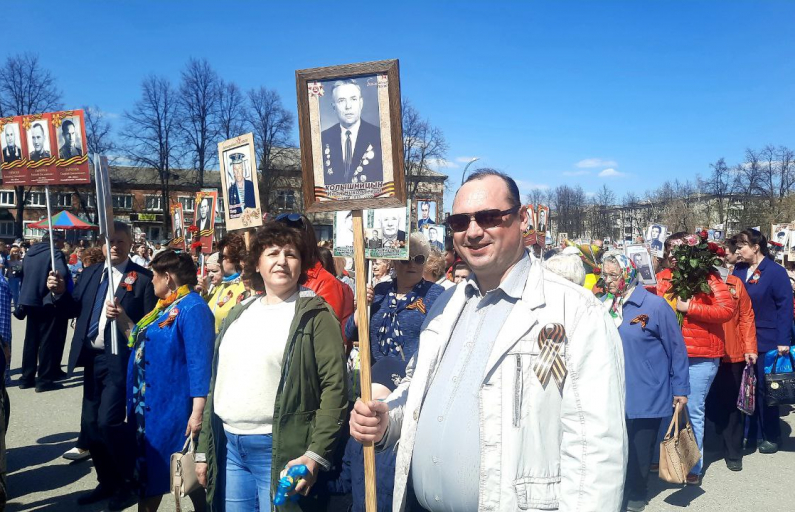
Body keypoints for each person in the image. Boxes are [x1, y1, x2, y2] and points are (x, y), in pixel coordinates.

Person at [349, 170, 627, 511]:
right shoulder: (445, 304)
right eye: (460, 221)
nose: (474, 231)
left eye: (489, 217)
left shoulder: (575, 313)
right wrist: (386, 420)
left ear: (522, 219)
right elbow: (416, 387)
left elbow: (595, 448)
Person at [195, 221, 349, 511]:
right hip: (230, 447)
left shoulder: (315, 316)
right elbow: (217, 383)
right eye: (273, 253)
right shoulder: (240, 312)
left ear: (301, 263)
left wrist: (316, 454)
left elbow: (335, 388)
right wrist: (205, 448)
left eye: (291, 254)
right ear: (258, 262)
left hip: (281, 451)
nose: (282, 260)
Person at [49, 222, 156, 509]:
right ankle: (106, 481)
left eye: (121, 241)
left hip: (119, 361)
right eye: (110, 241)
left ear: (131, 243)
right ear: (102, 244)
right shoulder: (92, 272)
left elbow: (149, 327)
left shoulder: (142, 279)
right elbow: (73, 308)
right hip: (91, 358)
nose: (115, 246)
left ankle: (127, 483)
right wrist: (59, 291)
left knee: (109, 423)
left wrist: (123, 319)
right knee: (91, 426)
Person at [106, 250, 214, 511]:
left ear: (168, 278)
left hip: (174, 411)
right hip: (149, 410)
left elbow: (201, 365)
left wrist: (198, 413)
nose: (151, 280)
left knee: (183, 474)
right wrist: (121, 316)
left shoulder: (194, 308)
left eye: (154, 276)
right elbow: (140, 341)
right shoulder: (163, 308)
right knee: (160, 475)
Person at [601, 254, 689, 512]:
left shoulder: (654, 306)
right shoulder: (605, 304)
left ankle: (637, 492)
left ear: (627, 275)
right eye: (605, 275)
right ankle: (618, 488)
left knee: (640, 445)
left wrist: (680, 389)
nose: (607, 281)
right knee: (617, 445)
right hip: (613, 387)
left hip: (647, 389)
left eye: (613, 276)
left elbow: (677, 349)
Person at [655, 232, 735, 485]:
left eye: (676, 251)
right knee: (667, 408)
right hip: (668, 354)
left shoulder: (709, 277)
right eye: (668, 251)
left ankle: (692, 465)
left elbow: (726, 310)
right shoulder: (662, 278)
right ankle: (666, 458)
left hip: (700, 355)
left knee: (691, 410)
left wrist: (690, 308)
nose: (671, 256)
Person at [732, 228, 794, 454]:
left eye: (742, 246)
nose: (738, 250)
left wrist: (783, 340)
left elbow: (784, 308)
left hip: (767, 339)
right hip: (741, 338)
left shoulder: (775, 272)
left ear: (756, 247)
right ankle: (749, 433)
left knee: (766, 390)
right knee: (745, 388)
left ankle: (771, 434)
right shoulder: (738, 270)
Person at [346, 233, 444, 365]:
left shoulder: (436, 294)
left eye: (419, 259)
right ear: (395, 262)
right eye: (406, 259)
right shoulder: (380, 291)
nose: (412, 264)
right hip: (375, 376)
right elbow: (351, 333)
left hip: (413, 378)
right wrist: (362, 306)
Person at [326, 358, 405, 512]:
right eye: (366, 403)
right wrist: (316, 481)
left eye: (381, 403)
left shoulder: (404, 449)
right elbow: (345, 482)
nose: (371, 414)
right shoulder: (356, 441)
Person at [706, 237, 757, 471]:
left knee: (732, 405)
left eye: (721, 259)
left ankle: (733, 451)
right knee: (708, 402)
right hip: (706, 351)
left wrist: (749, 348)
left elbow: (746, 317)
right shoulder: (701, 284)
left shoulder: (736, 283)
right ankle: (711, 444)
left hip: (732, 353)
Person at [276, 213, 353, 352]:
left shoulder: (326, 283)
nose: (282, 258)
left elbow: (325, 344)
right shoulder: (278, 277)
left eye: (292, 240)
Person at [18, 235, 71, 391]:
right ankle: (44, 380)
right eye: (61, 240)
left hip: (29, 300)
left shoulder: (29, 253)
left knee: (31, 341)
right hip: (46, 300)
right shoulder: (54, 253)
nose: (63, 243)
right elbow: (62, 273)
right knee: (47, 341)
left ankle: (26, 377)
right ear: (55, 241)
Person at [321, 79, 383, 185]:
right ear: (334, 107)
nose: (348, 106)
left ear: (361, 103)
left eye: (353, 99)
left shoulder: (379, 136)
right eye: (341, 100)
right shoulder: (322, 139)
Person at [206, 234, 247, 333]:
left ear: (236, 259)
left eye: (223, 257)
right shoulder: (222, 285)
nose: (220, 261)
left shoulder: (246, 286)